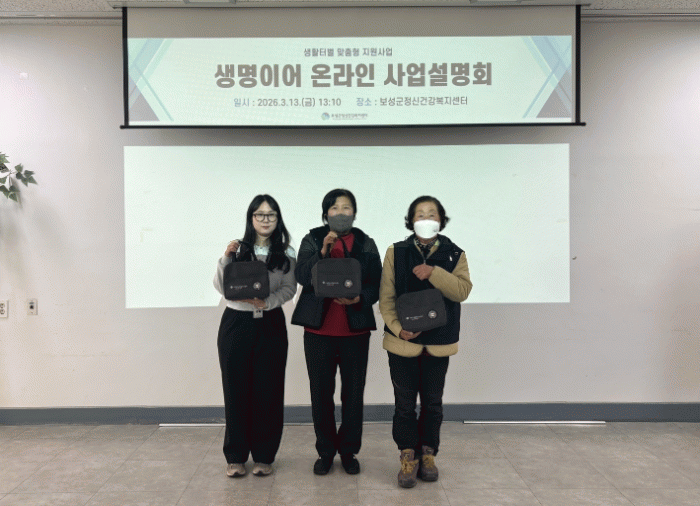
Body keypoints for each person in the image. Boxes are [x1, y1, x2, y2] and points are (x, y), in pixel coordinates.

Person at [378, 196, 472, 488]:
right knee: (404, 405)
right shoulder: (396, 252)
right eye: (420, 214)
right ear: (411, 220)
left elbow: (462, 291)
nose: (426, 219)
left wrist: (435, 273)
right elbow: (386, 298)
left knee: (432, 403)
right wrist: (398, 330)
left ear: (441, 220)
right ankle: (408, 455)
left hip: (438, 343)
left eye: (432, 214)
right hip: (403, 344)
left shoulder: (455, 254)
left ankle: (428, 454)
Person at [291, 189, 382, 476]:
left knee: (353, 396)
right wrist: (322, 252)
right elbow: (301, 276)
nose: (340, 213)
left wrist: (359, 299)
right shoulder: (312, 239)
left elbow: (377, 284)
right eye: (334, 208)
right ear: (325, 213)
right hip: (318, 331)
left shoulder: (366, 243)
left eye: (346, 208)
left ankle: (348, 451)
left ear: (354, 213)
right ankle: (326, 451)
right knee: (321, 395)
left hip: (355, 333)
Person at [213, 194, 297, 478]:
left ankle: (264, 456)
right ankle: (235, 456)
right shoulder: (237, 249)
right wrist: (225, 258)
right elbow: (220, 286)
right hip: (236, 324)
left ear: (278, 219)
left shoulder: (286, 252)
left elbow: (289, 288)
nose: (265, 219)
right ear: (251, 218)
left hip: (270, 323)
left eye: (271, 214)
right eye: (260, 214)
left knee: (268, 392)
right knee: (235, 390)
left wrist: (268, 302)